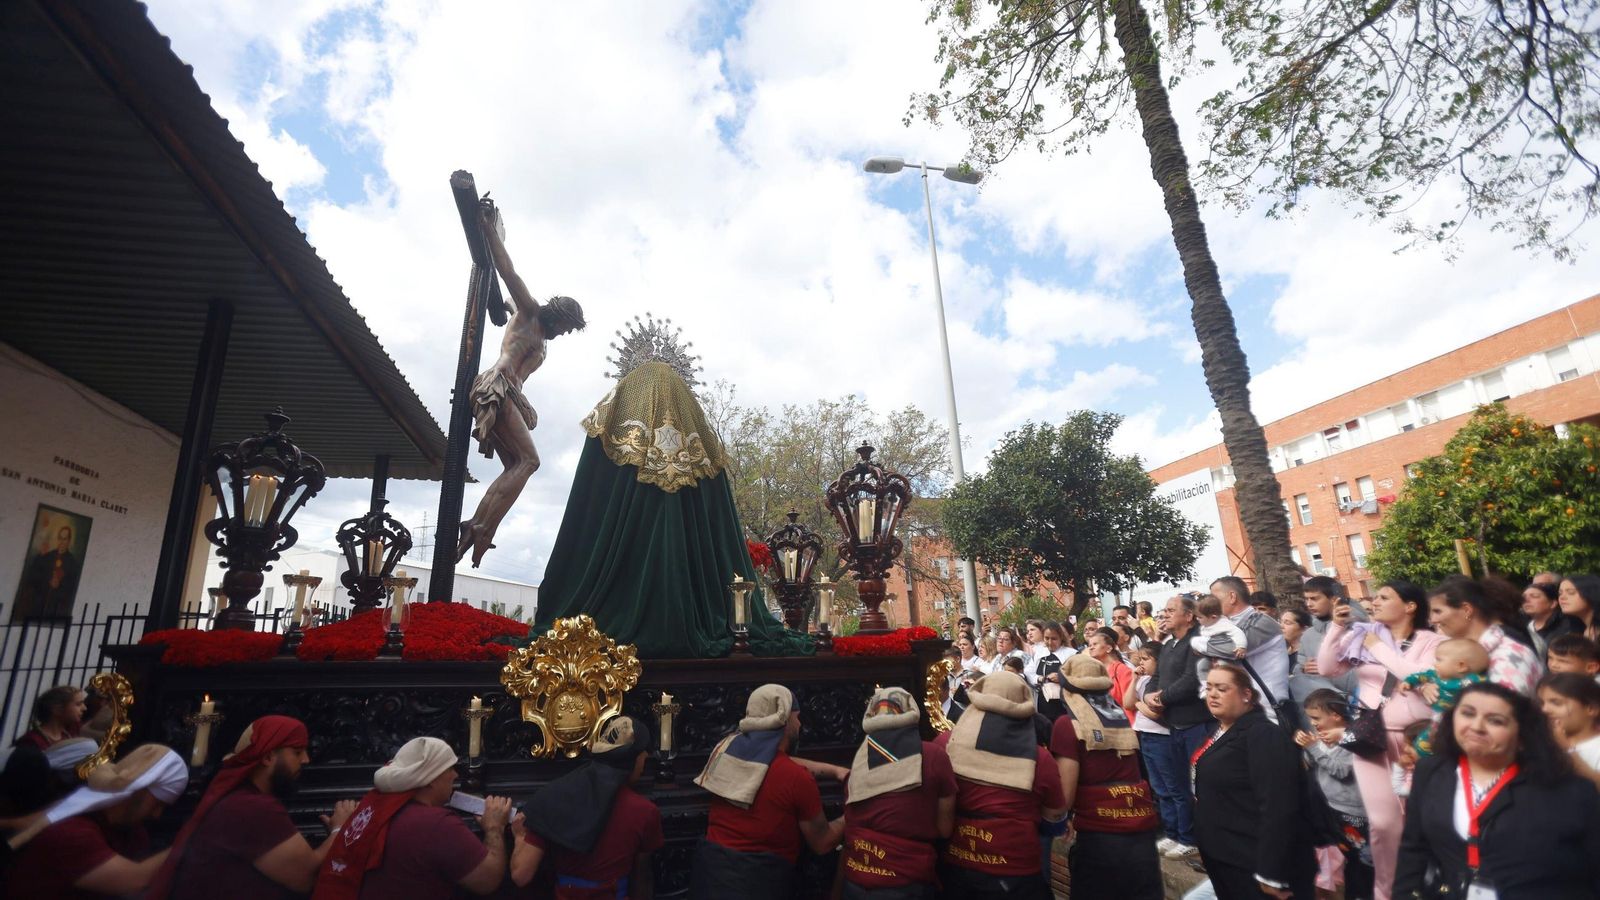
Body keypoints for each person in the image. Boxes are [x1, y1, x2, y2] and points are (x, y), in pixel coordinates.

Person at [456, 200, 586, 567]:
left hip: (512, 396)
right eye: (565, 326)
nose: (564, 333)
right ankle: (479, 526)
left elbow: (507, 302)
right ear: (556, 314)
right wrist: (488, 229)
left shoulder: (539, 334)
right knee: (530, 461)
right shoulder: (530, 312)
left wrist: (503, 308)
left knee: (516, 463)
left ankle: (481, 526)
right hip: (496, 388)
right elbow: (508, 272)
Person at [1395, 681, 1600, 898]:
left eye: (1495, 721)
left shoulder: (1568, 792)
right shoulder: (1431, 771)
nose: (1477, 726)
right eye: (1467, 713)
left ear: (1522, 737)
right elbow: (1413, 850)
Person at [1316, 579, 1440, 900]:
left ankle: (1430, 885)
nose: (1375, 601)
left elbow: (1417, 674)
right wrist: (1337, 628)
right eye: (1376, 597)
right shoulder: (1364, 635)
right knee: (1384, 824)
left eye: (1385, 597)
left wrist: (1377, 647)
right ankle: (1388, 892)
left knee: (1424, 819)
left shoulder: (1432, 641)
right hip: (1371, 740)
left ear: (1410, 606)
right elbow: (1328, 667)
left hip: (1417, 743)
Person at [151, 715, 356, 900]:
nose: (306, 760)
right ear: (267, 757)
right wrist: (341, 829)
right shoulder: (251, 808)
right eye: (297, 752)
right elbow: (306, 878)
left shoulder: (243, 799)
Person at [691, 684, 847, 896]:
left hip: (711, 881)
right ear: (784, 720)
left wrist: (835, 771)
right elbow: (823, 843)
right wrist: (855, 812)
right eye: (797, 717)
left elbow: (773, 761)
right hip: (758, 885)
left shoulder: (726, 751)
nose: (800, 724)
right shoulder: (796, 778)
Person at [313, 736, 514, 899]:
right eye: (449, 769)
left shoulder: (371, 808)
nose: (455, 776)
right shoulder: (435, 824)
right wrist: (494, 827)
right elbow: (487, 880)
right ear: (430, 781)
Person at [934, 671, 1067, 899]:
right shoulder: (1040, 759)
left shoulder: (945, 743)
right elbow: (1054, 818)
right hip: (1016, 873)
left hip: (955, 865)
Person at [1191, 663, 1316, 899]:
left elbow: (1279, 805)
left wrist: (1271, 873)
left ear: (1246, 694)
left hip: (1253, 861)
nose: (1213, 694)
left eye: (1222, 688)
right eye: (1209, 688)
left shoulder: (1264, 734)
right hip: (1224, 855)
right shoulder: (1222, 729)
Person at [4, 744, 189, 899]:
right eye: (157, 804)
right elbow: (135, 882)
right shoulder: (72, 831)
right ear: (139, 789)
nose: (157, 815)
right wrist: (192, 835)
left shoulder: (132, 832)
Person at [1051, 656, 1162, 900]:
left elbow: (1065, 796)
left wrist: (1058, 819)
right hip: (1141, 837)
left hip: (1100, 841)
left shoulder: (1067, 724)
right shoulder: (1119, 716)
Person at [513, 715, 661, 898]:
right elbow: (643, 879)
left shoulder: (553, 796)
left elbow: (521, 875)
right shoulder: (645, 812)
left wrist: (520, 836)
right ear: (635, 760)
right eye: (643, 760)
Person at [839, 687, 956, 899]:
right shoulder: (933, 756)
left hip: (855, 877)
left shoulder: (859, 764)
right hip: (906, 881)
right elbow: (945, 829)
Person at [1143, 593, 1212, 860]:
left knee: (1198, 786)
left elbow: (1192, 679)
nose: (1166, 614)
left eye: (1172, 610)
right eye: (1165, 610)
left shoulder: (1196, 642)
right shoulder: (1170, 644)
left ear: (1189, 615)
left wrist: (1162, 697)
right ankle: (1180, 834)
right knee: (1179, 784)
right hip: (1174, 724)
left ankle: (1195, 839)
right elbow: (1157, 675)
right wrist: (1149, 693)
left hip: (1196, 722)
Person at [1297, 689, 1373, 900]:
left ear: (1336, 715)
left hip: (1354, 813)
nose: (1312, 723)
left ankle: (1362, 894)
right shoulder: (1322, 738)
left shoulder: (1350, 740)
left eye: (1316, 718)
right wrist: (1309, 748)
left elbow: (1341, 771)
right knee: (1343, 855)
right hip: (1331, 807)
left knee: (1360, 859)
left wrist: (1313, 748)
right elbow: (1313, 762)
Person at [1427, 575, 1543, 696]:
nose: (1433, 620)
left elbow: (1502, 709)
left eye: (1437, 611)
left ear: (1467, 610)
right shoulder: (1476, 648)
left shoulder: (1509, 654)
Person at [1397, 638, 1490, 754]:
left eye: (1439, 660)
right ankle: (1428, 764)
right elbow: (1420, 676)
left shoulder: (1471, 681)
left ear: (1461, 666)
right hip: (1439, 720)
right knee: (1421, 744)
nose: (1435, 664)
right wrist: (1408, 682)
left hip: (1463, 723)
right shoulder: (1436, 676)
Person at [1291, 576, 1365, 704]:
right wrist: (1304, 669)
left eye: (1314, 598)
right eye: (1306, 599)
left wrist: (1325, 670)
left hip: (1356, 702)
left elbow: (1366, 672)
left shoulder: (1358, 629)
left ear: (1334, 600)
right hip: (1319, 707)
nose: (1309, 604)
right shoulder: (1308, 634)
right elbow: (1298, 669)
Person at [1539, 672, 1600, 786]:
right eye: (1542, 703)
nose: (1545, 709)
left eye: (1556, 703)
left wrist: (1567, 750)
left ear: (1591, 708)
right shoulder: (1542, 742)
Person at [13, 524, 81, 619]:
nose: (62, 542)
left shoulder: (73, 563)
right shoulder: (48, 556)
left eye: (65, 539)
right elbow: (33, 576)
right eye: (60, 538)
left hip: (56, 609)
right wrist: (40, 556)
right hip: (39, 604)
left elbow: (72, 587)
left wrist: (59, 585)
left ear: (69, 541)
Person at [1190, 594, 1248, 693]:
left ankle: (1227, 688)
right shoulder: (1206, 625)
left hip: (1225, 657)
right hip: (1212, 655)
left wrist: (1241, 646)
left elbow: (1238, 633)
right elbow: (1206, 640)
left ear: (1213, 617)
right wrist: (1200, 650)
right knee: (1201, 665)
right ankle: (1205, 686)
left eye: (1200, 617)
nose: (1197, 619)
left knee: (1223, 669)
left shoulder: (1224, 624)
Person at [15, 684, 86, 750]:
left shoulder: (73, 730)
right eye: (78, 704)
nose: (84, 708)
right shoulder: (31, 741)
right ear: (57, 709)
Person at [1085, 627, 1135, 719]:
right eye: (1090, 645)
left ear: (1109, 648)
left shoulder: (1122, 670)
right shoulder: (1095, 672)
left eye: (1095, 644)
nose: (1091, 647)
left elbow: (1129, 704)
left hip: (1123, 723)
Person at [1524, 580, 1576, 662]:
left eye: (1534, 596)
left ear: (1553, 603)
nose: (1526, 600)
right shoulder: (1521, 626)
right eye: (1524, 597)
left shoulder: (1568, 627)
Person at [1557, 574, 1600, 641]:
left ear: (1591, 594)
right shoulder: (1572, 631)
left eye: (1571, 592)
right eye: (1560, 593)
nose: (1562, 597)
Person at [1279, 607, 1311, 674]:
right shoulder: (1282, 652)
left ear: (1304, 629)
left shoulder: (1308, 656)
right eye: (1280, 622)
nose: (1281, 626)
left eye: (1287, 623)